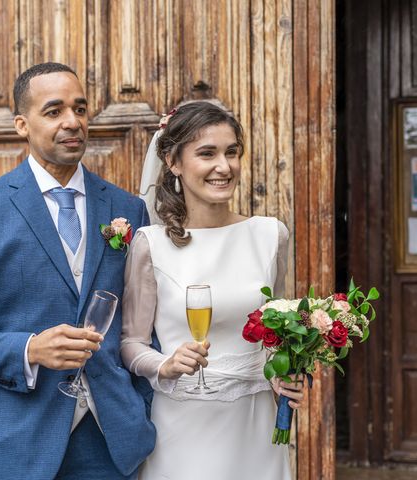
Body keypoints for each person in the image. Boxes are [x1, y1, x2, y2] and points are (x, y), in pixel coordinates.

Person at [0, 62, 156, 480]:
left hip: (109, 444)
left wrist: (139, 407)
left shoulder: (128, 209)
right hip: (15, 446)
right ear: (21, 124)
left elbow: (143, 324)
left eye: (80, 109)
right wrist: (29, 350)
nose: (73, 122)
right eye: (54, 111)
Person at [121, 101, 305, 479]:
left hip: (253, 424)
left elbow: (276, 333)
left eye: (232, 153)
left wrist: (284, 372)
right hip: (182, 426)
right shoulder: (150, 244)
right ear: (173, 162)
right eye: (207, 154)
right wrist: (164, 365)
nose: (224, 166)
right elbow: (130, 342)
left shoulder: (270, 235)